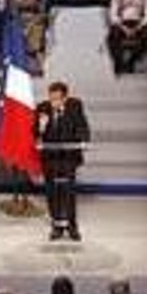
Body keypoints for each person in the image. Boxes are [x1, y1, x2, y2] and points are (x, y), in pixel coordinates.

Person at [35, 82, 91, 241]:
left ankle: (72, 227)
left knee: (68, 192)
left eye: (57, 98)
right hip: (50, 158)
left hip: (68, 157)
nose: (54, 102)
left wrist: (85, 141)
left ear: (65, 97)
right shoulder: (43, 108)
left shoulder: (75, 105)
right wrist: (40, 128)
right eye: (51, 98)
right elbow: (34, 132)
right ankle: (57, 226)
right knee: (52, 193)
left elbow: (82, 125)